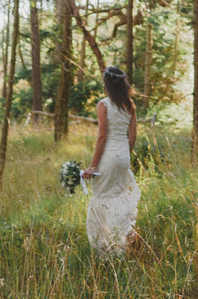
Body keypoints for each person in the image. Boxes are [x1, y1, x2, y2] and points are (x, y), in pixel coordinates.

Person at [82, 66, 143, 257]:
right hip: (123, 156)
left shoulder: (104, 105)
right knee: (119, 196)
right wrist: (125, 154)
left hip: (108, 157)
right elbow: (132, 136)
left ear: (106, 84)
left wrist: (92, 166)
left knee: (103, 199)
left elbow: (102, 137)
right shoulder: (130, 104)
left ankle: (108, 248)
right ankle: (127, 233)